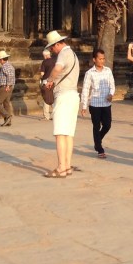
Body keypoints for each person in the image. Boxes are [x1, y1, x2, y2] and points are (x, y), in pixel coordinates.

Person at [43, 31, 80, 178]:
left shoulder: (63, 54)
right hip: (73, 95)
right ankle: (67, 166)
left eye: (52, 48)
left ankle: (61, 167)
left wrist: (49, 80)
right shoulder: (73, 54)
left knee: (59, 133)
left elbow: (57, 69)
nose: (52, 51)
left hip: (64, 95)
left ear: (58, 44)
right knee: (68, 134)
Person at [80, 49, 115, 158]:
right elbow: (85, 89)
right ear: (94, 60)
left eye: (103, 58)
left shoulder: (108, 71)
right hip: (94, 104)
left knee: (107, 125)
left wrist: (111, 94)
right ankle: (99, 148)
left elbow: (112, 85)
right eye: (100, 59)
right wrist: (84, 106)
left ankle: (97, 139)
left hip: (106, 104)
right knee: (96, 126)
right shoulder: (89, 73)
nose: (102, 61)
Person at [0, 50, 16, 127]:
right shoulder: (10, 65)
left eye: (0, 60)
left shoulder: (5, 66)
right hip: (9, 87)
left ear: (2, 59)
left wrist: (8, 85)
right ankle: (8, 120)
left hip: (4, 87)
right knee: (6, 103)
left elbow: (9, 76)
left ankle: (7, 116)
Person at [40, 48, 55, 120]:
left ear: (45, 55)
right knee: (53, 97)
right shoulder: (55, 61)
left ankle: (46, 116)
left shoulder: (44, 62)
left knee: (46, 98)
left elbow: (42, 73)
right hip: (54, 81)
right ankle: (54, 115)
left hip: (46, 81)